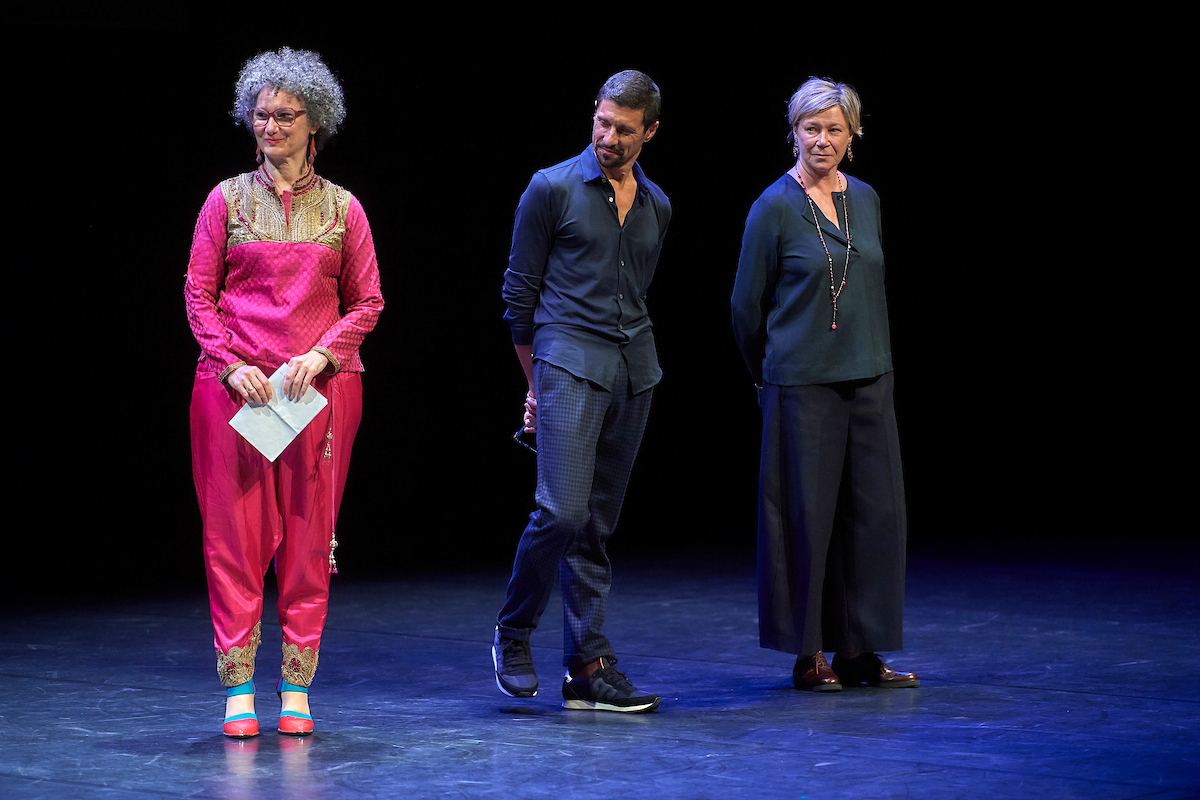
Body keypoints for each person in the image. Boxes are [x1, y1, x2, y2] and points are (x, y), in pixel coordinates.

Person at [185, 47, 384, 736]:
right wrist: (229, 363)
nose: (270, 126)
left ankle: (296, 687)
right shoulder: (224, 201)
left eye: (285, 115)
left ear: (314, 122)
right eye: (261, 114)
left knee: (308, 535)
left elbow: (368, 301)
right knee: (233, 539)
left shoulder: (344, 209)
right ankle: (238, 688)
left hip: (316, 393)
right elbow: (198, 295)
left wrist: (324, 353)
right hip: (236, 392)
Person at [730, 78, 918, 692]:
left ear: (852, 134)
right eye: (811, 128)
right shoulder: (773, 206)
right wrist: (767, 372)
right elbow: (745, 306)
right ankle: (809, 654)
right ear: (794, 133)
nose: (822, 140)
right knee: (806, 518)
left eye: (834, 128)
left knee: (875, 516)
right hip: (801, 382)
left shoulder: (865, 198)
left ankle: (859, 649)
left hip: (870, 377)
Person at [492, 70, 670, 713]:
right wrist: (534, 384)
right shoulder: (551, 188)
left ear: (650, 132)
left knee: (596, 525)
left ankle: (587, 666)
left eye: (625, 129)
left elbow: (636, 292)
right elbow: (519, 296)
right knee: (561, 511)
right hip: (567, 359)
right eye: (602, 122)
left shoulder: (656, 205)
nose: (609, 137)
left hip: (634, 369)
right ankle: (514, 631)